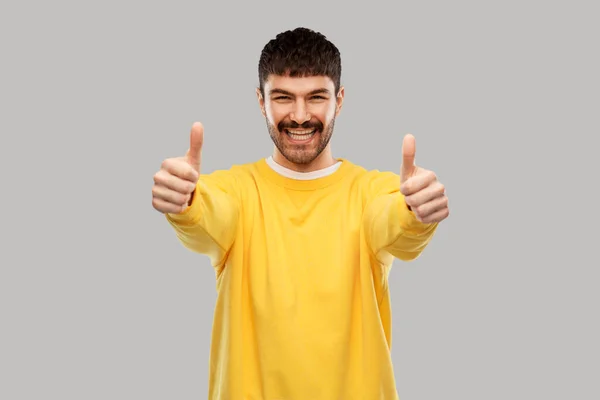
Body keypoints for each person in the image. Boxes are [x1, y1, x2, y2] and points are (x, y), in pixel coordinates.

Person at [151, 27, 449, 400]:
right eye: (283, 97)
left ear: (339, 100)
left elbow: (394, 226)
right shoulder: (234, 190)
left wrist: (416, 211)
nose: (300, 115)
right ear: (261, 102)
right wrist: (184, 201)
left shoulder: (374, 191)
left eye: (316, 97)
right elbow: (208, 218)